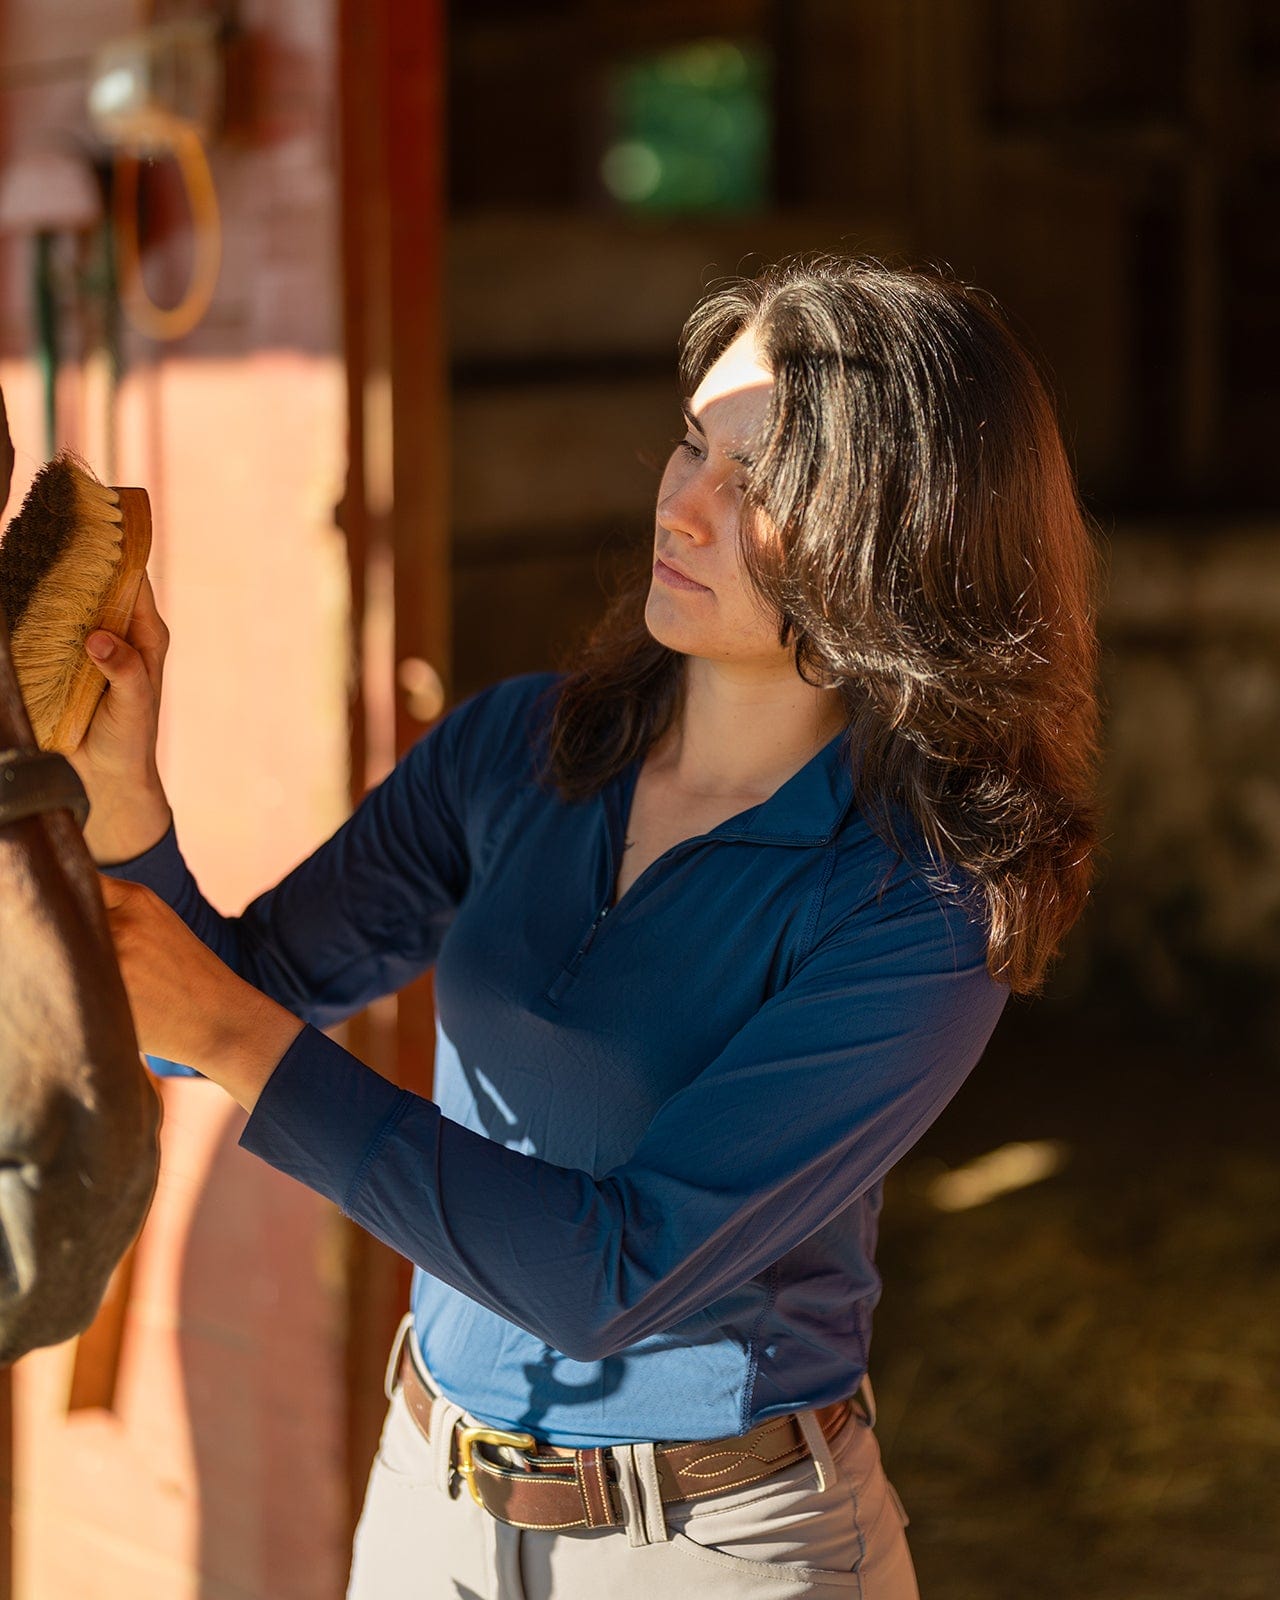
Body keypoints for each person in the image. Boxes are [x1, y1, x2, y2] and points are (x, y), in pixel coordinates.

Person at [82, 256, 1098, 1599]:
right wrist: (123, 798)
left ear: (900, 540)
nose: (683, 504)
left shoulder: (919, 900)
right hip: (429, 1499)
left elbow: (613, 1276)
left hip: (712, 1545)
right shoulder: (518, 749)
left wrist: (233, 1036)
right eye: (691, 444)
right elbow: (197, 1016)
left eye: (760, 482)